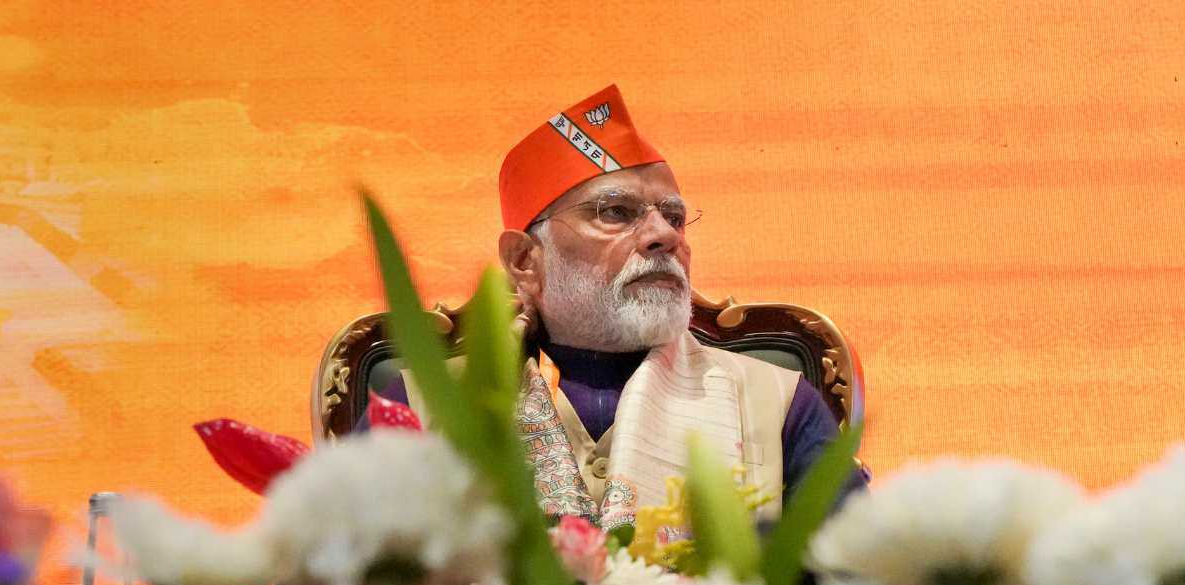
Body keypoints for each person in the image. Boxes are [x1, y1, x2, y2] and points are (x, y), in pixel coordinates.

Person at [360, 85, 865, 533]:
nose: (664, 236)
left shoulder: (775, 403)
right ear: (523, 260)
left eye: (675, 218)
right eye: (616, 213)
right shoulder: (424, 405)